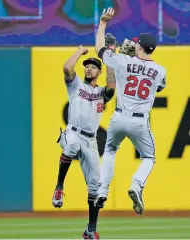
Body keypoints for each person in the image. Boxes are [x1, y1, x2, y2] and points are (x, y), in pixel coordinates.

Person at [93, 8, 167, 215]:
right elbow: (159, 86)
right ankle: (136, 185)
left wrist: (103, 23)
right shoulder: (161, 71)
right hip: (139, 122)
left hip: (118, 117)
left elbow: (99, 48)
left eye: (136, 43)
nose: (133, 44)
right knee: (149, 158)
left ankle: (102, 190)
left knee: (110, 151)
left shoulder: (123, 61)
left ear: (140, 46)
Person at [52, 44, 116, 239]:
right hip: (73, 131)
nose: (88, 68)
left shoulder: (101, 93)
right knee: (70, 145)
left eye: (93, 66)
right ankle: (59, 188)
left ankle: (90, 230)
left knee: (96, 187)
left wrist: (110, 59)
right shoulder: (76, 84)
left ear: (99, 71)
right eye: (87, 65)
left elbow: (112, 87)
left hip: (91, 140)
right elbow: (66, 68)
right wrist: (80, 52)